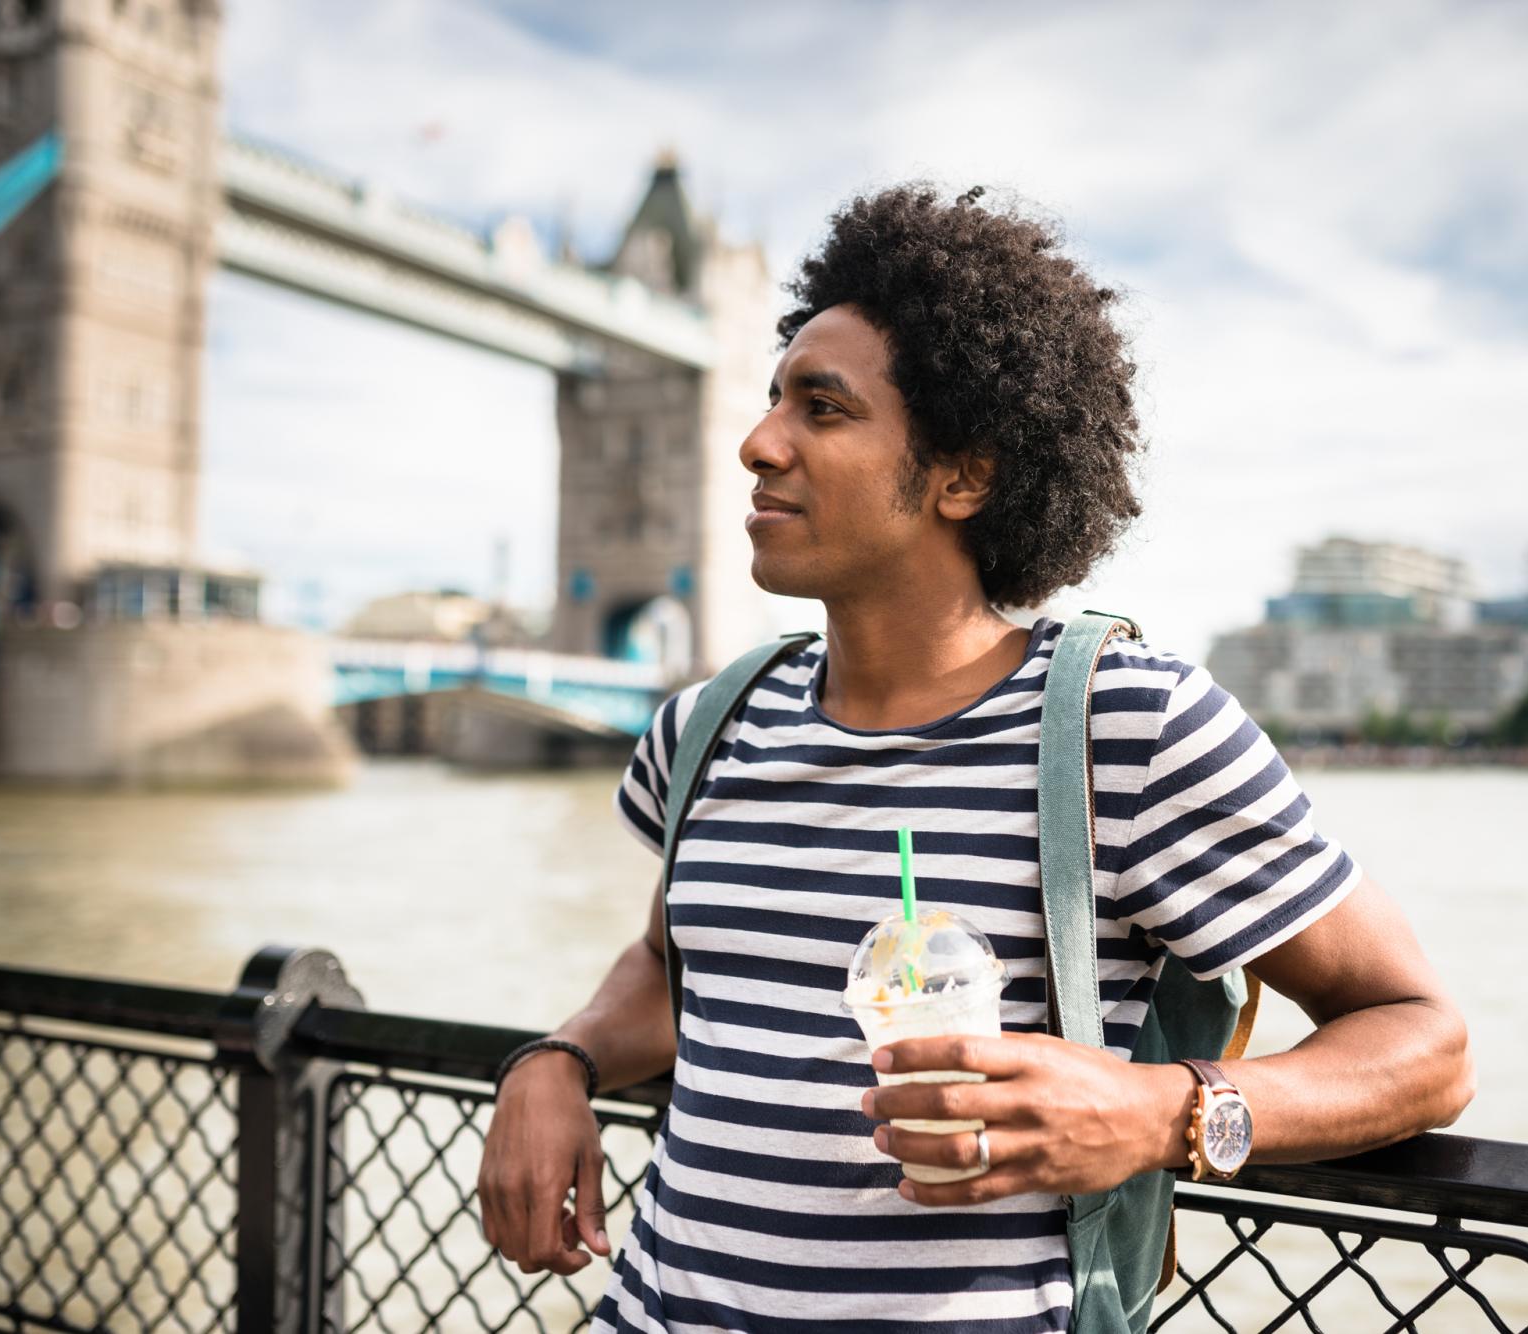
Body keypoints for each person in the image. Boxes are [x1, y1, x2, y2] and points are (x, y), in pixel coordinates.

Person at [476, 184, 1474, 1333]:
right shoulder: (705, 724)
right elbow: (671, 967)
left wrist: (1159, 1114)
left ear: (963, 476)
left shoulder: (1125, 728)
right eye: (770, 399)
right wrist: (558, 1057)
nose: (757, 442)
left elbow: (1424, 1042)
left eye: (821, 408)